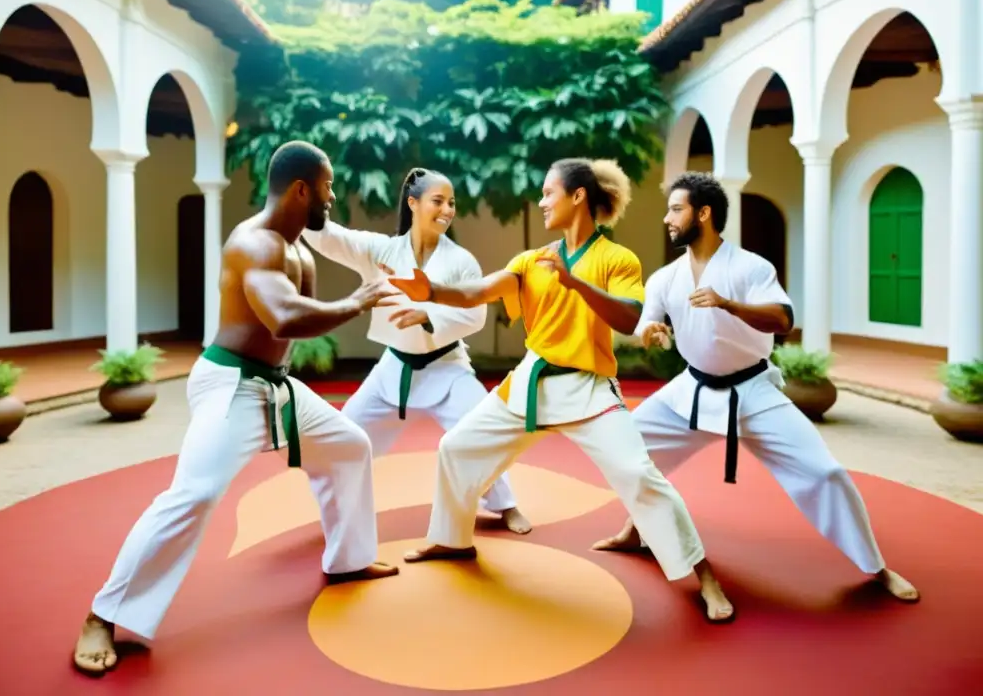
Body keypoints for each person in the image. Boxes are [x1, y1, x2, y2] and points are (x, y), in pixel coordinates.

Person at [72, 141, 403, 676]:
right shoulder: (254, 243)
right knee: (195, 494)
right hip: (230, 384)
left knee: (349, 447)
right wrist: (357, 301)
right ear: (301, 189)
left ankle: (349, 561)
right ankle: (102, 614)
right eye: (328, 186)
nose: (333, 196)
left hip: (275, 387)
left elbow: (296, 322)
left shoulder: (299, 249)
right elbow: (281, 318)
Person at [387, 158, 735, 622]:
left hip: (588, 389)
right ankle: (451, 538)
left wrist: (574, 282)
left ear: (577, 197)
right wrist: (432, 290)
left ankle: (703, 575)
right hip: (531, 382)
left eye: (549, 193)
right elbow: (478, 292)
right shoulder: (531, 261)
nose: (541, 201)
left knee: (638, 474)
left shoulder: (617, 258)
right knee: (457, 446)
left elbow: (631, 319)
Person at [591, 171, 919, 604]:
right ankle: (638, 530)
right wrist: (651, 332)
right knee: (627, 451)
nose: (668, 219)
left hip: (753, 392)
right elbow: (649, 323)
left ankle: (876, 567)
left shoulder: (750, 267)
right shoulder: (665, 278)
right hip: (689, 390)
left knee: (826, 474)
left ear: (703, 214)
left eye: (676, 209)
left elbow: (782, 320)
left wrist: (728, 304)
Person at [303, 167, 532, 533]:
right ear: (413, 202)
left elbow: (475, 317)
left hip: (447, 368)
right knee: (346, 437)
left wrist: (428, 315)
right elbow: (334, 239)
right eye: (438, 201)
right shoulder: (382, 250)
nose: (447, 210)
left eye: (451, 203)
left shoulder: (460, 261)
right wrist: (313, 207)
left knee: (479, 434)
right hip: (392, 368)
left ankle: (505, 506)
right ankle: (341, 509)